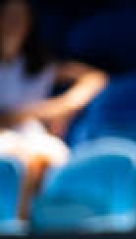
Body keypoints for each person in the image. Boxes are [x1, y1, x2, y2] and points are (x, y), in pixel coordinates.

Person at [0, 0, 107, 222]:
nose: (14, 24)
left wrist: (65, 105)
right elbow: (7, 117)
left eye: (20, 18)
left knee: (47, 157)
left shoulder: (38, 63)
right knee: (20, 159)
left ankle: (33, 223)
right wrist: (35, 114)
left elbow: (96, 78)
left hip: (30, 133)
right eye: (9, 17)